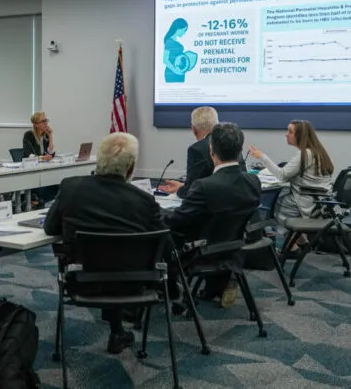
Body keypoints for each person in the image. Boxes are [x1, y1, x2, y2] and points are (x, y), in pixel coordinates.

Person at [44, 132, 164, 355]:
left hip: (82, 282)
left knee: (104, 257)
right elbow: (163, 244)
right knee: (117, 258)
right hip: (134, 285)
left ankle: (117, 330)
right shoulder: (146, 202)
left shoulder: (71, 188)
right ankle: (118, 331)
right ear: (130, 168)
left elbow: (50, 228)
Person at [164, 123, 261, 307]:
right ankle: (218, 284)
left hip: (200, 253)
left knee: (163, 236)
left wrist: (157, 214)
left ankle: (169, 289)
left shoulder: (204, 186)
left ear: (211, 150)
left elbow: (178, 221)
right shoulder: (253, 181)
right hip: (234, 249)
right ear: (240, 149)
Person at [249, 119, 333, 221]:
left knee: (270, 206)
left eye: (290, 132)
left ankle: (292, 235)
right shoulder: (316, 151)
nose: (286, 135)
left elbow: (282, 175)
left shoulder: (306, 154)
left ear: (300, 135)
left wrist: (262, 157)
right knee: (281, 194)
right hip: (317, 199)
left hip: (307, 200)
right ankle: (297, 236)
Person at [23, 111, 58, 205]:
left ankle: (51, 203)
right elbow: (28, 155)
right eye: (43, 121)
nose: (46, 123)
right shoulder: (28, 135)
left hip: (44, 169)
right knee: (50, 184)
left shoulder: (45, 135)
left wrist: (50, 136)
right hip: (33, 173)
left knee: (57, 181)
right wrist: (42, 158)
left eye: (46, 120)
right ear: (36, 124)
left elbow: (50, 152)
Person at [164, 18, 189, 83]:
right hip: (172, 73)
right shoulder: (169, 41)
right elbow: (165, 60)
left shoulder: (174, 41)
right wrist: (176, 71)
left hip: (179, 71)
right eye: (184, 30)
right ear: (178, 28)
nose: (184, 33)